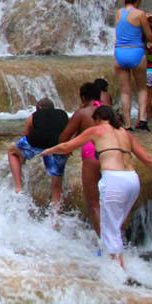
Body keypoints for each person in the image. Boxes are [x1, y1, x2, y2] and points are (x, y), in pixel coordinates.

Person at [44, 105, 152, 274]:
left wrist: (49, 150)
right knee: (115, 224)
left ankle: (118, 272)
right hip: (132, 180)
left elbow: (67, 147)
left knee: (110, 227)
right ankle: (115, 260)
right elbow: (148, 158)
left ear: (97, 119)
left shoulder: (96, 130)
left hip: (113, 180)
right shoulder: (125, 133)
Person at [54, 80, 108, 231]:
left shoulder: (82, 113)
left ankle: (104, 244)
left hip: (91, 153)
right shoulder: (109, 111)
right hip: (112, 153)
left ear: (83, 98)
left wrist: (65, 150)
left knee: (94, 204)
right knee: (112, 202)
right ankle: (118, 239)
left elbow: (64, 136)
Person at [8, 97, 70, 207]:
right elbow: (67, 132)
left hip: (36, 142)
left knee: (12, 150)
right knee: (56, 185)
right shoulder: (63, 114)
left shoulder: (33, 116)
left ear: (38, 108)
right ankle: (55, 219)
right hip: (57, 146)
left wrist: (24, 154)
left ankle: (18, 188)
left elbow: (26, 134)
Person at [111, 0, 152, 130]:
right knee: (142, 88)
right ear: (137, 2)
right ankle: (142, 119)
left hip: (120, 53)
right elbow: (149, 36)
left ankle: (128, 124)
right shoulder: (140, 13)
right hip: (136, 51)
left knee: (125, 91)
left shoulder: (118, 13)